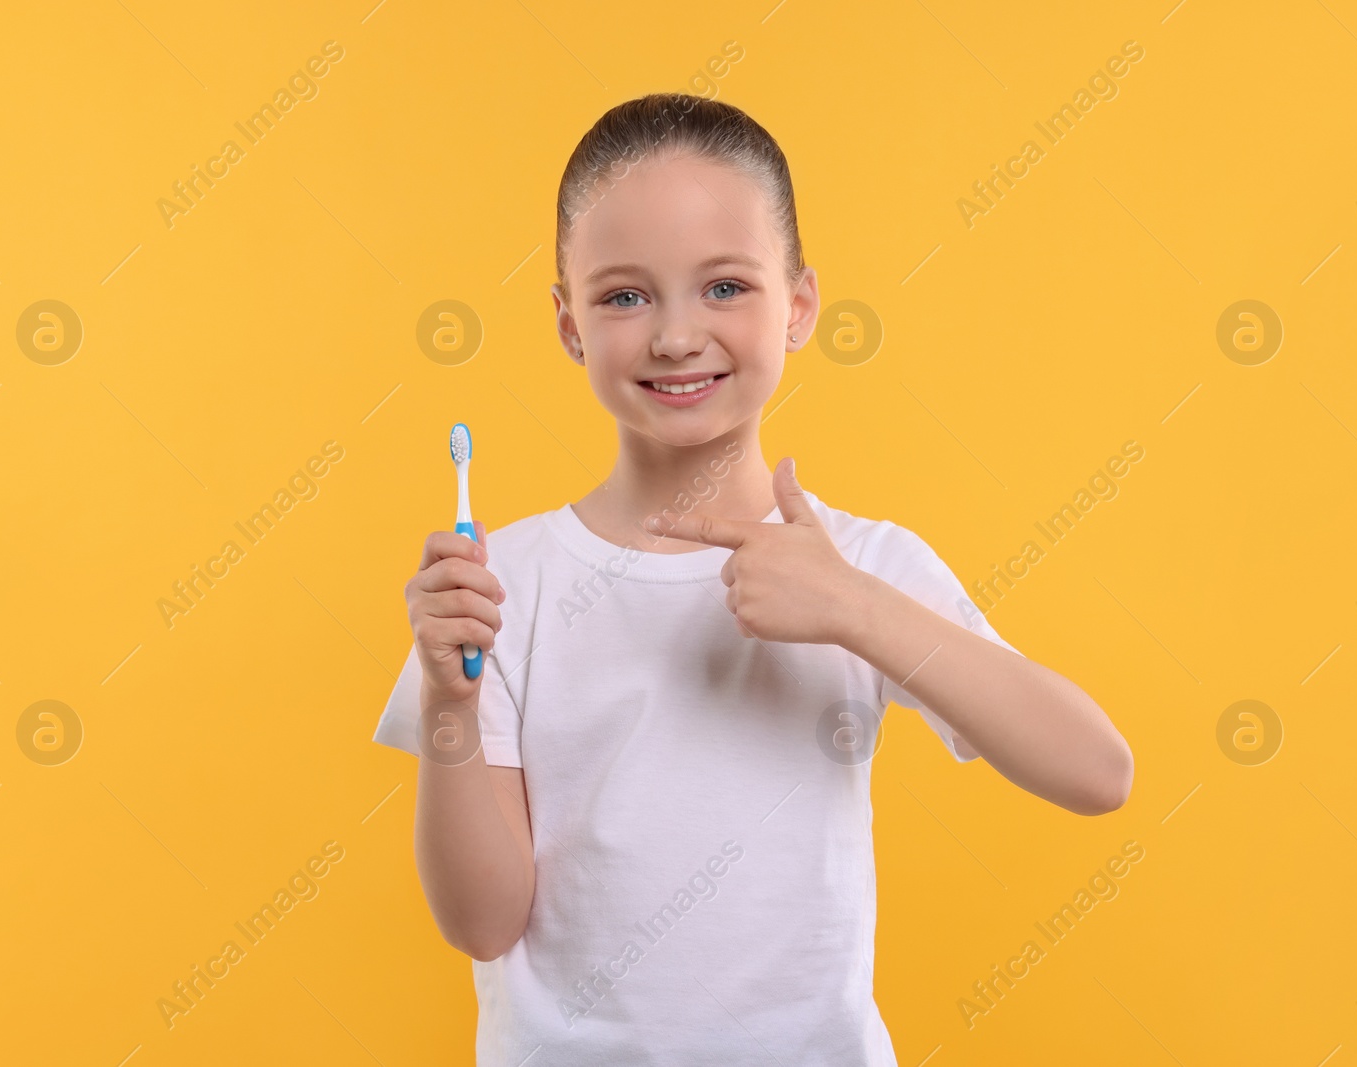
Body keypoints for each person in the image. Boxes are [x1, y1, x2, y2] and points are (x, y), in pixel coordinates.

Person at [373, 91, 1133, 1065]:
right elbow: (481, 921)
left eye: (725, 286)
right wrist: (447, 694)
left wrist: (853, 608)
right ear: (567, 325)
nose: (676, 335)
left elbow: (1095, 770)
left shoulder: (862, 565)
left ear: (801, 305)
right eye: (623, 295)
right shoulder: (503, 584)